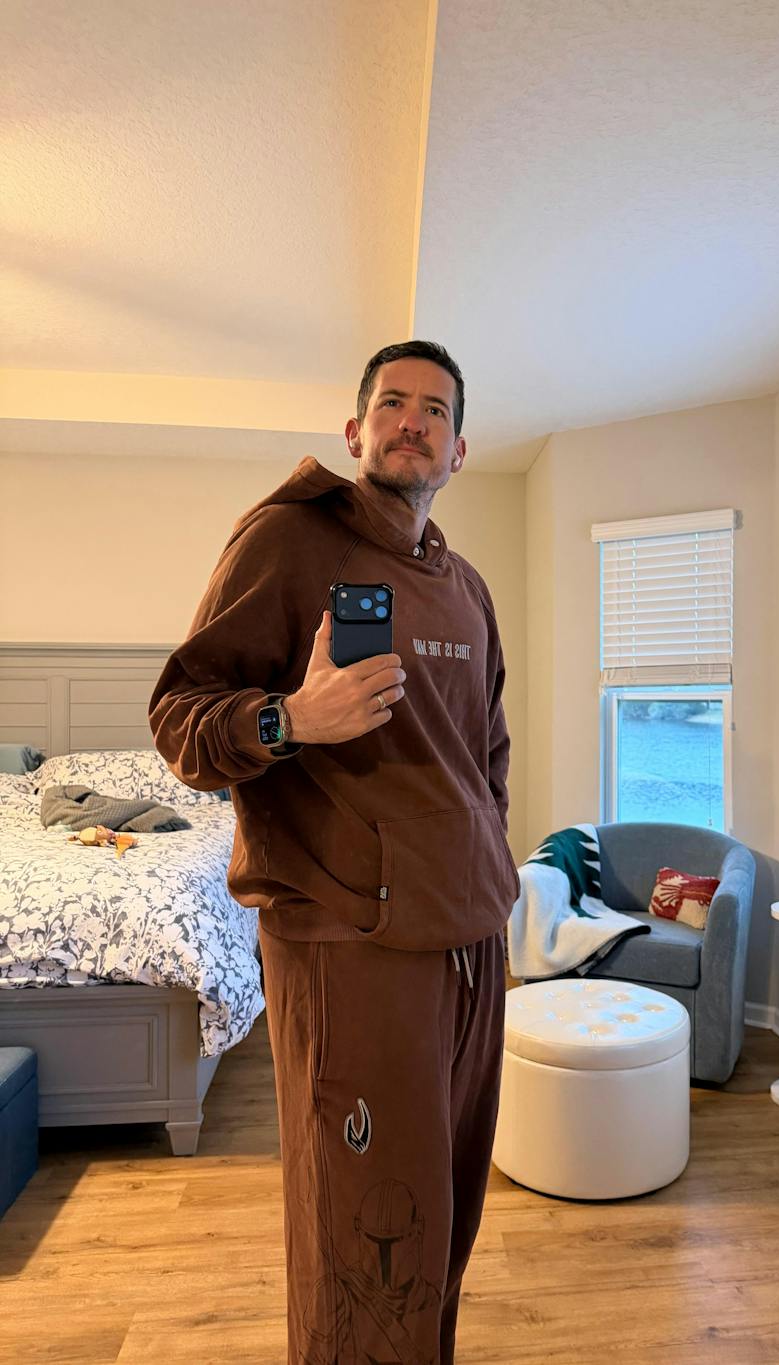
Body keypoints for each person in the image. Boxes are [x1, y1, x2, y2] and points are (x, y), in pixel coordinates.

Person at [149, 340, 520, 1365]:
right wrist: (292, 720)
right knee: (362, 1228)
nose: (413, 421)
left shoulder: (467, 588)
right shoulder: (287, 541)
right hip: (349, 944)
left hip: (472, 939)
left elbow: (487, 752)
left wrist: (493, 862)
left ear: (458, 449)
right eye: (392, 403)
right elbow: (178, 720)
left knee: (444, 1216)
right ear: (356, 431)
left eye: (435, 410)